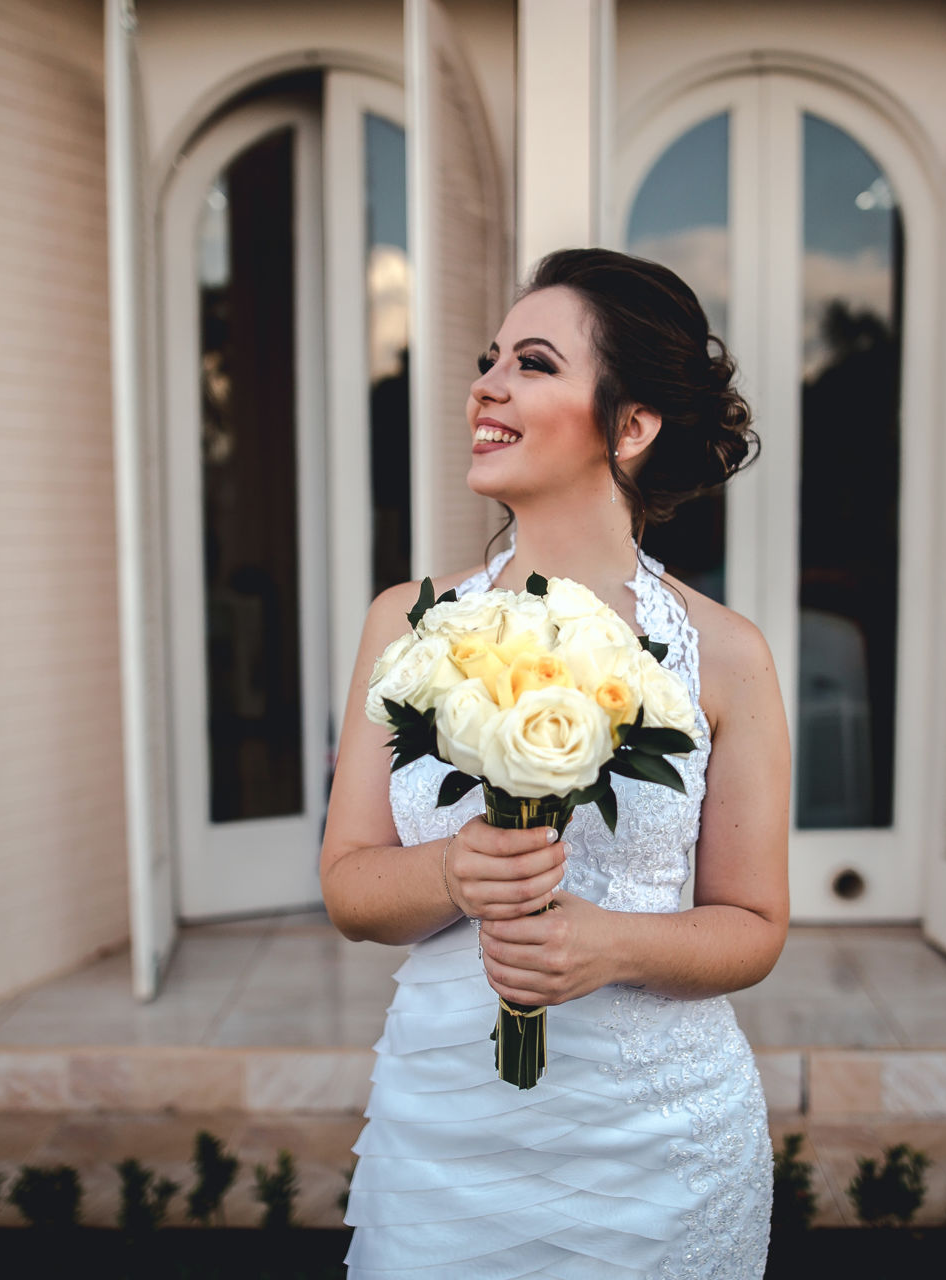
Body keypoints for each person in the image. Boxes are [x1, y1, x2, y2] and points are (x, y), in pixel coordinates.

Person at [322, 247, 792, 1278]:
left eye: (532, 363)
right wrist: (450, 870)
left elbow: (754, 926)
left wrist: (611, 945)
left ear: (632, 425)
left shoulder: (728, 654)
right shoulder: (405, 621)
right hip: (443, 1134)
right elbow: (351, 882)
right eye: (491, 358)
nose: (484, 385)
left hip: (654, 1155)